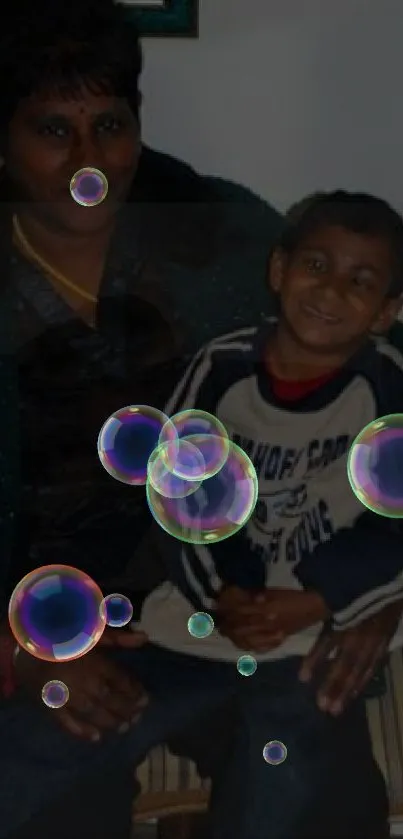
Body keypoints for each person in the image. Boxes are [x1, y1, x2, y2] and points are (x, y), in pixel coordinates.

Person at [139, 190, 403, 838]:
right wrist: (231, 593)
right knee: (53, 738)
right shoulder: (220, 366)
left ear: (387, 312)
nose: (331, 290)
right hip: (204, 616)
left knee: (294, 750)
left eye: (359, 281)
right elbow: (181, 495)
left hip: (321, 633)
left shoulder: (390, 385)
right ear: (277, 269)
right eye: (316, 265)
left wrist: (320, 596)